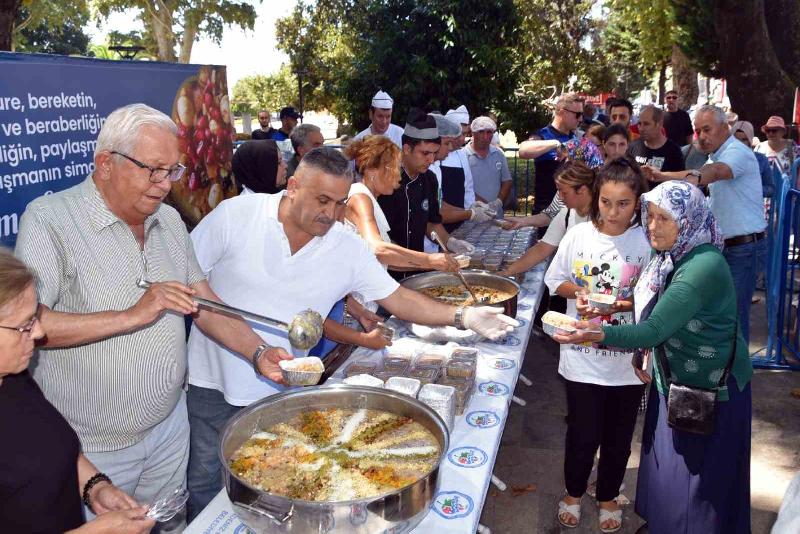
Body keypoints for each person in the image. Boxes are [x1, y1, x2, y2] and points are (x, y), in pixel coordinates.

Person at [184, 146, 518, 517]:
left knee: (277, 483)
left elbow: (398, 298)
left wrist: (464, 317)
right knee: (204, 478)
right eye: (322, 200)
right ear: (293, 186)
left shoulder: (344, 244)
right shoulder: (235, 216)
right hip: (212, 381)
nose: (331, 214)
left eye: (341, 203)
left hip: (283, 385)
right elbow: (188, 280)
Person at [14, 103, 289, 522]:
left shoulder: (169, 221)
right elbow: (32, 323)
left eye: (173, 171)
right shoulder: (51, 220)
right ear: (105, 164)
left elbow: (206, 305)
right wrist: (133, 314)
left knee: (169, 524)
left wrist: (258, 352)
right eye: (153, 170)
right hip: (92, 449)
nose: (164, 185)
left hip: (169, 428)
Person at [554, 181, 753, 534]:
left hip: (709, 388)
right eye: (651, 217)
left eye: (665, 219)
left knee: (699, 478)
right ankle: (666, 523)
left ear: (689, 220)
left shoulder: (700, 267)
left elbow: (654, 329)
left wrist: (595, 332)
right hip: (677, 378)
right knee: (670, 467)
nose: (652, 227)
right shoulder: (673, 257)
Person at [0, 249, 155, 534]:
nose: (38, 333)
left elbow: (51, 450)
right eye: (24, 325)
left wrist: (96, 488)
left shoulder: (13, 378)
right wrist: (99, 531)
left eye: (35, 317)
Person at [544, 158, 651, 532]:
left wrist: (620, 304)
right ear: (595, 198)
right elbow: (555, 280)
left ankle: (607, 494)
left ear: (638, 201)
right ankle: (573, 492)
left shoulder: (647, 241)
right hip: (581, 357)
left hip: (628, 362)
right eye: (606, 202)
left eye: (623, 203)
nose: (613, 212)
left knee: (619, 437)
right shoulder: (579, 235)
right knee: (582, 433)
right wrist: (580, 293)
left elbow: (656, 297)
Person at [642, 105, 766, 343]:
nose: (702, 136)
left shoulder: (737, 153)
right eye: (698, 131)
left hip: (743, 250)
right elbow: (704, 173)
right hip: (728, 248)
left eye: (707, 129)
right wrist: (663, 177)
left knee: (734, 320)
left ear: (724, 127)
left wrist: (667, 176)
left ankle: (735, 380)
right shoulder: (717, 156)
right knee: (723, 318)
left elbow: (713, 173)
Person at [378, 109, 474, 281]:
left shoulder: (429, 179)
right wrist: (427, 261)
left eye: (434, 153)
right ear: (407, 149)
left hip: (416, 271)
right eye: (425, 153)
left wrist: (451, 242)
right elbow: (378, 242)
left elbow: (432, 223)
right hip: (385, 272)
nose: (431, 160)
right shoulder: (384, 181)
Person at [344, 135, 460, 275]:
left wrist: (435, 264)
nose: (399, 177)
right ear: (372, 170)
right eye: (394, 168)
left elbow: (389, 262)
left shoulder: (369, 198)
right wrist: (429, 260)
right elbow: (378, 249)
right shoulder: (360, 198)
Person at [500, 161, 597, 277]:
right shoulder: (565, 214)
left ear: (582, 190)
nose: (560, 197)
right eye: (558, 191)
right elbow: (542, 249)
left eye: (564, 192)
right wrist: (507, 272)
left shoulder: (607, 216)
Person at [520, 93, 583, 214]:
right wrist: (555, 144)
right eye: (577, 114)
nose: (580, 119)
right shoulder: (543, 135)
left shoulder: (576, 138)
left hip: (571, 210)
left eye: (582, 114)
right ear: (562, 112)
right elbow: (523, 151)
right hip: (546, 210)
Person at [464, 116, 512, 217]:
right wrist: (484, 206)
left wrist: (498, 202)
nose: (485, 137)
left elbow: (507, 181)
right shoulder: (463, 155)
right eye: (481, 132)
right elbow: (462, 186)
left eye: (489, 132)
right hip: (471, 216)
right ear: (473, 133)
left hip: (496, 215)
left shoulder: (498, 154)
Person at [627, 105, 684, 188]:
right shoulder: (632, 147)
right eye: (639, 124)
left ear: (659, 124)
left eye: (646, 124)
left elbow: (679, 182)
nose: (641, 128)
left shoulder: (674, 151)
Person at [731, 120, 774, 198]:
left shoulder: (761, 160)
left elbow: (770, 189)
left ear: (750, 141)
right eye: (736, 139)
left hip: (752, 206)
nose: (739, 143)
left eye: (744, 139)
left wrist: (752, 189)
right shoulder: (722, 157)